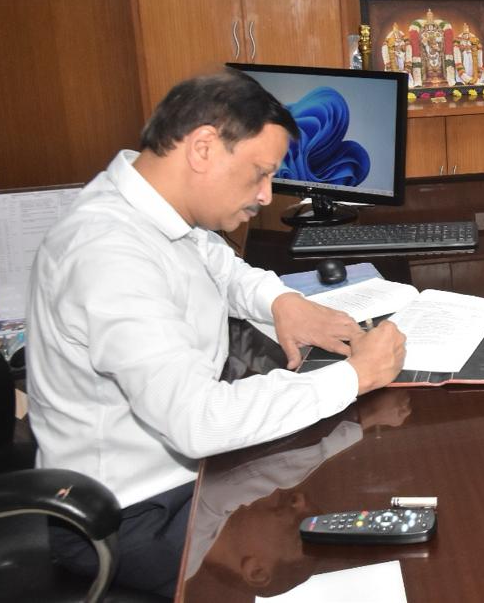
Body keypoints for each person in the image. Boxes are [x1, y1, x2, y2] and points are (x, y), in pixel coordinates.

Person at [26, 69, 406, 597]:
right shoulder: (108, 254)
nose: (267, 195)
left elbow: (219, 268)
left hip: (183, 476)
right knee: (351, 537)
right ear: (203, 148)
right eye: (259, 174)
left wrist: (281, 302)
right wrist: (353, 377)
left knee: (349, 482)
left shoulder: (156, 206)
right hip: (131, 515)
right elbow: (197, 421)